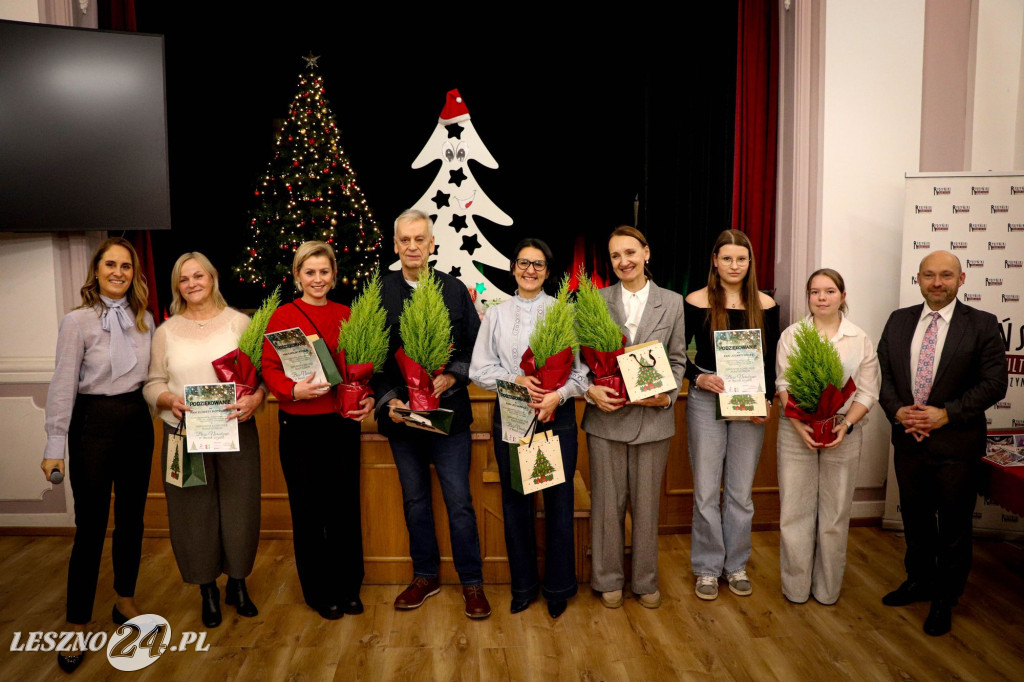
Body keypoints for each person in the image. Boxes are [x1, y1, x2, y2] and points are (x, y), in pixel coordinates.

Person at [877, 250, 1006, 636]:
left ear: (961, 279)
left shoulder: (982, 324)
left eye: (946, 275)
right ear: (918, 278)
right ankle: (919, 581)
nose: (937, 282)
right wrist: (899, 411)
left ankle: (945, 598)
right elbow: (881, 373)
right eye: (930, 275)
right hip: (909, 440)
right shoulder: (899, 321)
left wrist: (945, 413)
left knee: (953, 525)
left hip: (957, 444)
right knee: (915, 519)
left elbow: (994, 383)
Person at [371, 209, 491, 619]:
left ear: (432, 244)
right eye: (405, 240)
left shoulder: (454, 290)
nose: (412, 246)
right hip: (403, 421)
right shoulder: (379, 292)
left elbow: (474, 349)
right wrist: (389, 399)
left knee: (459, 502)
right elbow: (366, 356)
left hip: (449, 418)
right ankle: (425, 576)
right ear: (395, 245)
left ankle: (472, 582)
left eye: (419, 239)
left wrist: (453, 379)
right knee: (416, 502)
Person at [42, 238, 154, 673]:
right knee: (90, 527)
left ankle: (124, 600)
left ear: (134, 273)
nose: (118, 272)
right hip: (92, 426)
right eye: (111, 263)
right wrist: (55, 445)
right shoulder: (77, 321)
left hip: (135, 424)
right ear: (97, 268)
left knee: (132, 519)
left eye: (126, 265)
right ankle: (76, 622)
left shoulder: (145, 319)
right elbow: (63, 384)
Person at [144, 252, 264, 629]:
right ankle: (207, 589)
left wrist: (255, 398)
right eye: (184, 279)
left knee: (240, 507)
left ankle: (239, 584)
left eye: (199, 275)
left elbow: (260, 376)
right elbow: (152, 383)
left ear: (212, 278)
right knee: (192, 514)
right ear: (177, 286)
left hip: (236, 429)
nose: (192, 283)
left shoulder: (241, 323)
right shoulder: (165, 331)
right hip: (184, 433)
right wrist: (167, 400)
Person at [469, 238, 587, 618]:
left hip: (558, 417)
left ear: (548, 272)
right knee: (516, 502)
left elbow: (583, 374)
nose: (530, 270)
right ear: (513, 268)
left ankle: (558, 587)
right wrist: (515, 380)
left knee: (558, 502)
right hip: (514, 415)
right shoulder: (497, 314)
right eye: (523, 263)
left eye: (538, 264)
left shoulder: (565, 314)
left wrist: (560, 394)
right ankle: (523, 587)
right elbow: (478, 370)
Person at [261, 241, 374, 620]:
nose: (317, 279)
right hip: (299, 424)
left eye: (324, 271)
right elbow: (269, 368)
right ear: (297, 276)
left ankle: (349, 587)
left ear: (334, 275)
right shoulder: (282, 317)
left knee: (344, 507)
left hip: (341, 422)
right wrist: (294, 390)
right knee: (309, 510)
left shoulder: (348, 314)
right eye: (309, 272)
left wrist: (367, 397)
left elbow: (363, 365)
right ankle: (318, 590)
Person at [581, 226, 686, 609]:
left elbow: (677, 359)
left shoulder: (672, 302)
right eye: (614, 256)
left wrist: (665, 396)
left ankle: (645, 580)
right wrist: (590, 388)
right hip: (606, 419)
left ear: (646, 253)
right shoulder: (594, 300)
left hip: (653, 420)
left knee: (646, 507)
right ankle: (607, 578)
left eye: (630, 252)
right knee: (607, 505)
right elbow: (580, 359)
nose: (623, 261)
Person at [684, 228, 779, 600]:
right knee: (707, 490)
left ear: (750, 262)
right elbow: (680, 356)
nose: (734, 265)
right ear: (715, 261)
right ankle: (707, 569)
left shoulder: (766, 305)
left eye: (741, 258)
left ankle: (736, 564)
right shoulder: (695, 301)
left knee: (740, 492)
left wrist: (767, 400)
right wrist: (700, 378)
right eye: (727, 258)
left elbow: (770, 361)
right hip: (707, 402)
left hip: (749, 405)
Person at [775, 269, 880, 604]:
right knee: (795, 512)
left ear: (842, 296)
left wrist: (845, 425)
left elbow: (867, 392)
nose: (821, 297)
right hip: (797, 431)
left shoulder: (859, 339)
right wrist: (797, 424)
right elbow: (782, 385)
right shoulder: (793, 335)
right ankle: (795, 588)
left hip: (843, 431)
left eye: (829, 291)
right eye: (815, 291)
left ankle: (827, 589)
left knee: (834, 514)